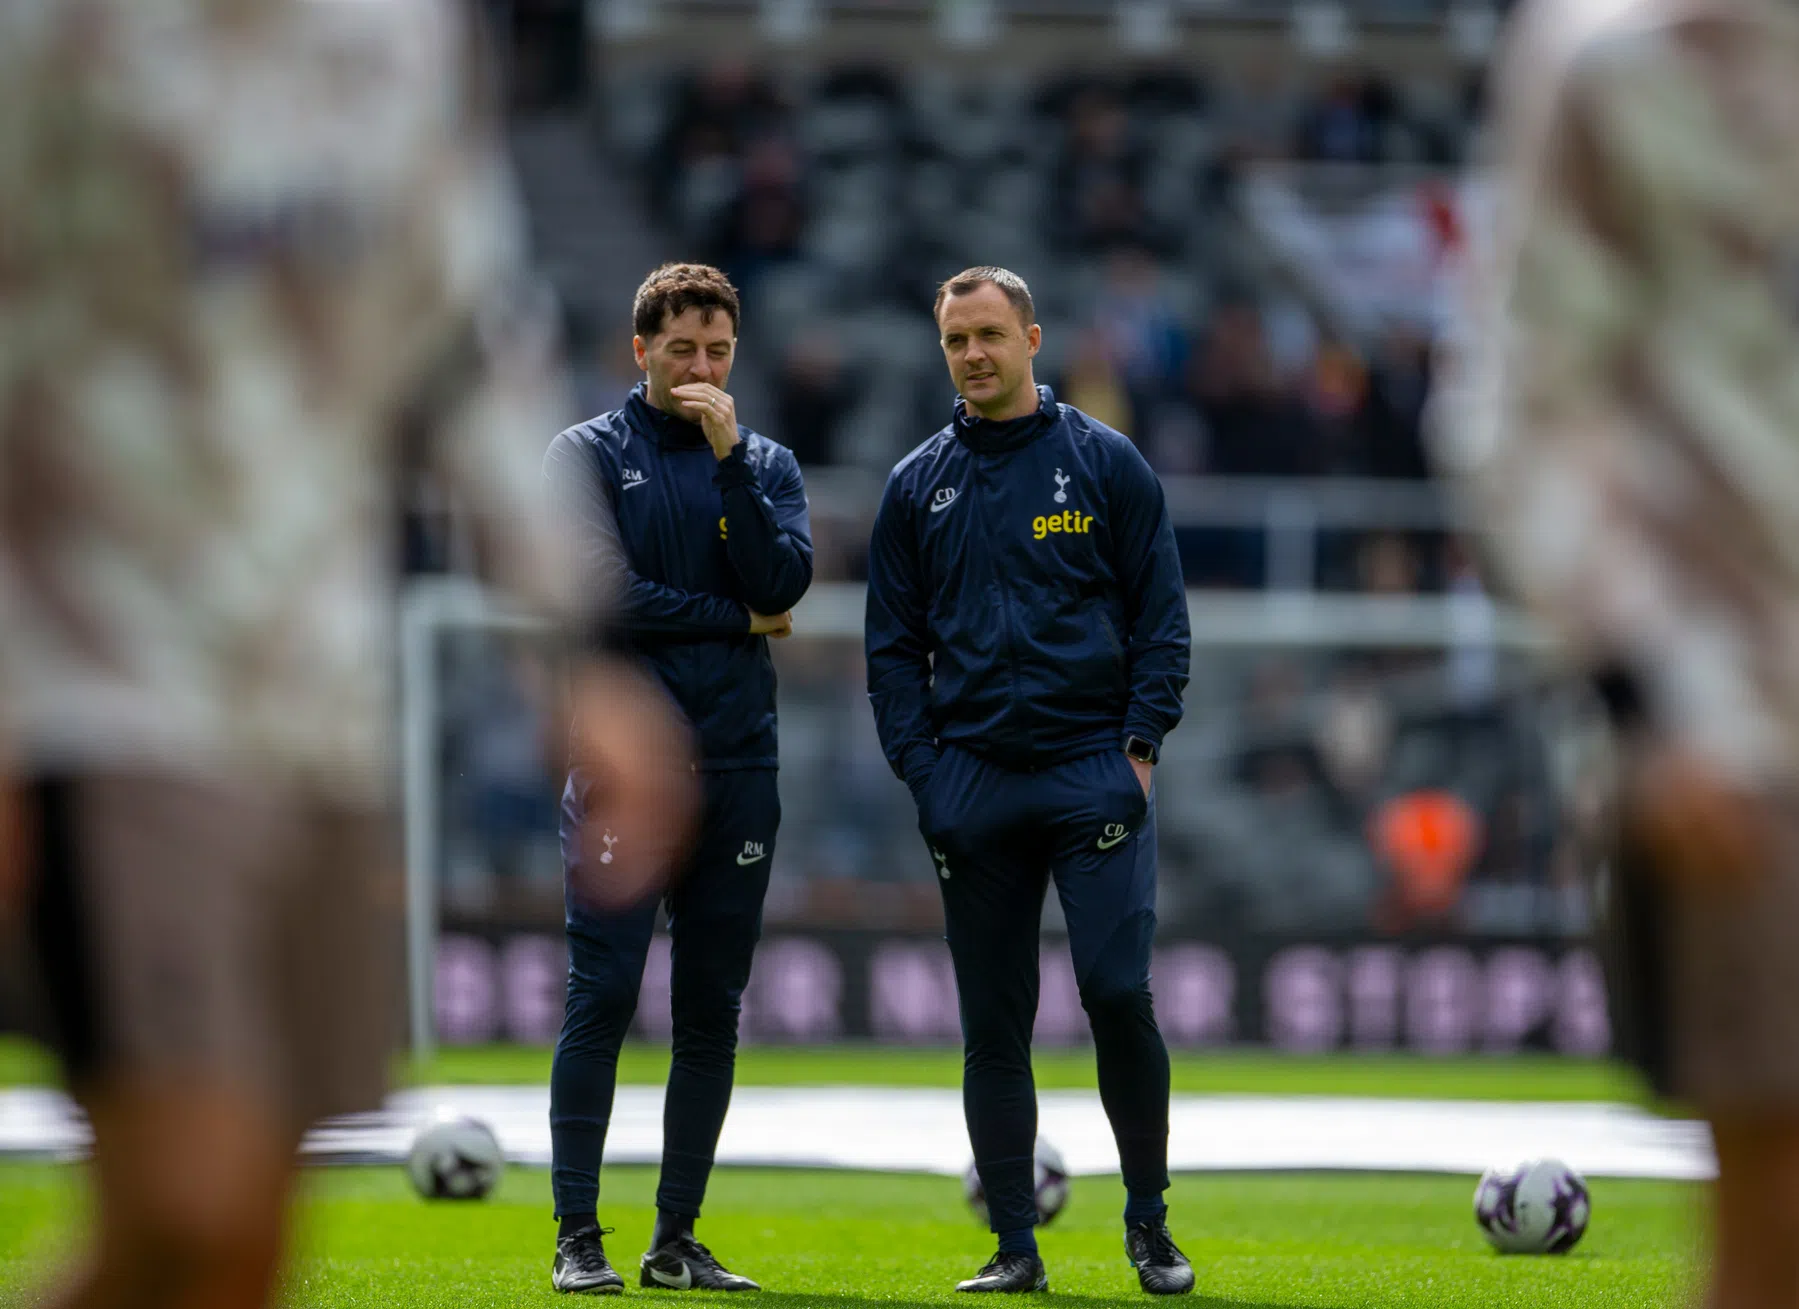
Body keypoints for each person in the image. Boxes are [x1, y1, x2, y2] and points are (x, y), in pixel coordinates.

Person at [0, 3, 696, 1309]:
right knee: (182, 1194)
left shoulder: (402, 37)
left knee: (239, 1244)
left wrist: (581, 650)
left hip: (320, 688)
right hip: (98, 674)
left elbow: (458, 334)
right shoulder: (52, 35)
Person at [1432, 1, 1799, 1304]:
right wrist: (1642, 700)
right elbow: (1516, 409)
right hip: (1738, 716)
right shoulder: (1616, 57)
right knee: (1777, 1195)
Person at [865, 267, 1194, 1296]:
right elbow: (889, 649)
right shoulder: (915, 485)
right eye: (955, 339)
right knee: (991, 1025)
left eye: (988, 334)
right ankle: (1015, 1246)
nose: (971, 353)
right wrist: (927, 777)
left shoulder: (1103, 462)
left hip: (1090, 774)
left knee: (1114, 991)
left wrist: (1137, 747)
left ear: (1032, 338)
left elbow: (1162, 617)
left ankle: (1147, 1223)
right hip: (973, 789)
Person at [542, 262, 813, 1294]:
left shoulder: (762, 461)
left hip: (739, 764)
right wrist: (737, 621)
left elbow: (781, 579)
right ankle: (577, 1236)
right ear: (640, 349)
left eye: (718, 352)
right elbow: (604, 595)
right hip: (624, 772)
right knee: (601, 994)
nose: (702, 368)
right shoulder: (585, 456)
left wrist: (730, 459)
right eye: (683, 349)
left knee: (710, 1010)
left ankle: (674, 1240)